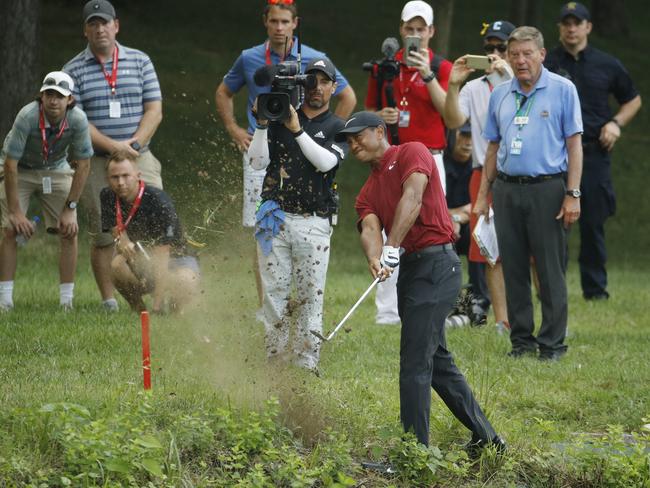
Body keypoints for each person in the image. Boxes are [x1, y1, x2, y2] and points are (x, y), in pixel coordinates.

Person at [337, 111, 504, 451]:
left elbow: (412, 199)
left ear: (380, 131)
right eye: (348, 139)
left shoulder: (412, 151)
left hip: (437, 264)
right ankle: (489, 439)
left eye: (359, 135)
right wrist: (375, 255)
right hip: (411, 273)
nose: (353, 143)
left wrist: (392, 245)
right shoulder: (367, 190)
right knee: (436, 362)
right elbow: (369, 227)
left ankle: (414, 452)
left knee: (414, 361)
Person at [215, 0, 356, 310]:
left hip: (304, 142)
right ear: (266, 22)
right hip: (264, 144)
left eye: (285, 22)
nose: (279, 27)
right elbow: (223, 91)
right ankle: (266, 301)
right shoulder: (250, 57)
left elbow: (347, 95)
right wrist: (235, 129)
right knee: (262, 226)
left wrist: (328, 128)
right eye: (274, 21)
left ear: (295, 24)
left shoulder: (315, 59)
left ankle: (299, 300)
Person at [474, 26, 583, 361]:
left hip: (548, 188)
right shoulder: (500, 94)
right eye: (514, 54)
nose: (521, 61)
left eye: (527, 54)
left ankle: (552, 345)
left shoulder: (563, 90)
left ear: (541, 55)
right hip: (507, 188)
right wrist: (483, 195)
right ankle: (521, 342)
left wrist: (572, 193)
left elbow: (575, 146)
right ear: (507, 56)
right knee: (515, 269)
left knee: (550, 269)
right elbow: (493, 147)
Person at [246, 58, 348, 372]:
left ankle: (306, 362)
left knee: (310, 295)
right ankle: (274, 359)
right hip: (276, 217)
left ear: (333, 87)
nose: (317, 87)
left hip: (314, 222)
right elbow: (257, 162)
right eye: (311, 81)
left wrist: (298, 130)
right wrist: (262, 125)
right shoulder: (279, 116)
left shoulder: (337, 126)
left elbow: (325, 164)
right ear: (302, 84)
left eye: (324, 81)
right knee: (274, 293)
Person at [64, 0, 164, 312]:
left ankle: (159, 294)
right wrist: (113, 147)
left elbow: (154, 110)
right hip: (95, 161)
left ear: (116, 26)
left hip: (140, 157)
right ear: (85, 31)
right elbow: (78, 121)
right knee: (103, 231)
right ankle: (110, 300)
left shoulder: (140, 61)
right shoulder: (73, 70)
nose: (99, 29)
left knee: (156, 223)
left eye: (104, 23)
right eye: (93, 24)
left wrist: (134, 144)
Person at [545, 2, 641, 300]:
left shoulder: (607, 63)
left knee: (593, 223)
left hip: (595, 154)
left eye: (578, 23)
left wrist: (616, 123)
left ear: (588, 27)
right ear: (560, 27)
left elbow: (633, 99)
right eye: (566, 23)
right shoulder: (547, 63)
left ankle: (595, 290)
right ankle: (552, 288)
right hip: (557, 156)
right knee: (553, 225)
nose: (571, 28)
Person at [366, 0, 452, 326]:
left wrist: (427, 74)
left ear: (431, 31)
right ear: (401, 29)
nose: (415, 34)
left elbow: (449, 112)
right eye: (410, 28)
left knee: (432, 230)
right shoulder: (386, 65)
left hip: (431, 156)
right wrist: (380, 116)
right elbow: (369, 109)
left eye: (421, 29)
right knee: (392, 227)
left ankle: (432, 305)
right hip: (394, 156)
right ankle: (388, 311)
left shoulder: (442, 67)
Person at [443, 20, 516, 331]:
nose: (495, 54)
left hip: (522, 174)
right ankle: (503, 321)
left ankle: (550, 318)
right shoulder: (475, 88)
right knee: (490, 250)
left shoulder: (525, 83)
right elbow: (453, 119)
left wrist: (508, 75)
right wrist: (454, 84)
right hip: (483, 174)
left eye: (501, 49)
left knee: (535, 253)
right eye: (489, 49)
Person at [0, 71, 92, 311]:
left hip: (55, 169)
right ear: (41, 96)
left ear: (69, 100)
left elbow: (83, 164)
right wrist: (17, 212)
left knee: (70, 230)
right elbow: (10, 164)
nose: (54, 101)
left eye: (60, 96)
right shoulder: (27, 116)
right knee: (10, 229)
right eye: (49, 94)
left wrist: (70, 208)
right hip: (20, 168)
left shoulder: (79, 120)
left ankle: (66, 302)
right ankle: (5, 300)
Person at [100, 151, 200, 313]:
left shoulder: (159, 202)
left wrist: (157, 306)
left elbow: (162, 258)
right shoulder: (108, 195)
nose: (120, 182)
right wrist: (122, 240)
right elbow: (114, 226)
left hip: (175, 258)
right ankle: (138, 310)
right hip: (142, 257)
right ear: (107, 178)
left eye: (126, 176)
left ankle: (174, 311)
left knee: (186, 281)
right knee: (117, 265)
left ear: (138, 175)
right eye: (115, 177)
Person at [442, 125, 490, 320]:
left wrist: (456, 217)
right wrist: (453, 217)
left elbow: (479, 203)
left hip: (466, 225)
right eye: (464, 135)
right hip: (444, 228)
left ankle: (478, 299)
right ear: (452, 136)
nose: (469, 142)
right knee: (440, 236)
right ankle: (448, 299)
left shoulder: (479, 165)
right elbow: (433, 207)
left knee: (477, 232)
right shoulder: (439, 163)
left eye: (473, 136)